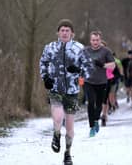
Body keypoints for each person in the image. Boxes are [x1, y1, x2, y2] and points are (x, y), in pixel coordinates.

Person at [39, 19, 92, 165]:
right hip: (55, 88)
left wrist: (79, 70)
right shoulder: (50, 48)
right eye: (62, 30)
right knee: (57, 116)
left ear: (72, 33)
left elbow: (89, 69)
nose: (64, 33)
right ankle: (56, 134)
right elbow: (43, 62)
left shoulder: (80, 48)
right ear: (58, 32)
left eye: (67, 30)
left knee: (69, 126)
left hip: (72, 91)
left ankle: (67, 153)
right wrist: (45, 78)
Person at [84, 31, 115, 137]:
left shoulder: (106, 51)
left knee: (99, 104)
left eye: (97, 40)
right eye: (93, 40)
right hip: (88, 81)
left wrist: (102, 65)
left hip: (101, 82)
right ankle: (91, 127)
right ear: (90, 40)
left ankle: (96, 119)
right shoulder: (85, 50)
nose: (95, 42)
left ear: (100, 40)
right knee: (90, 102)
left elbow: (113, 65)